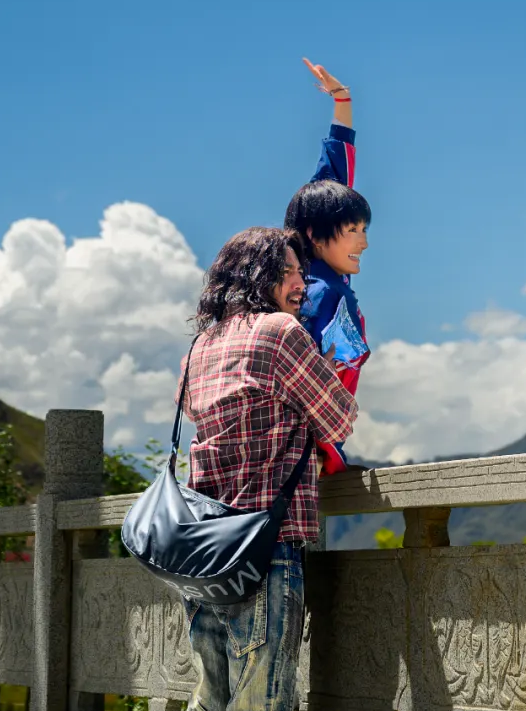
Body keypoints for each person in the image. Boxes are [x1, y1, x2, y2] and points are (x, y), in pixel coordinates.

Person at [176, 226, 358, 710]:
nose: (301, 282)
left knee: (212, 699)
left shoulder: (199, 347)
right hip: (263, 548)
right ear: (258, 277)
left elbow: (198, 415)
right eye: (289, 272)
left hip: (199, 552)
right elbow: (339, 417)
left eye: (301, 270)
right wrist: (330, 369)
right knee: (264, 701)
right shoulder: (280, 332)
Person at [284, 58, 371, 476]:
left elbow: (335, 175)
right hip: (306, 454)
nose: (364, 241)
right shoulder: (315, 295)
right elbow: (305, 379)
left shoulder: (315, 277)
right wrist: (320, 451)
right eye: (352, 229)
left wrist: (342, 100)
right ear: (317, 235)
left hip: (317, 446)